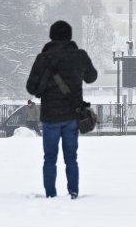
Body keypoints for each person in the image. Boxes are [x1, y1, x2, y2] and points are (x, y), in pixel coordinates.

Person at [25, 20, 98, 200]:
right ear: (70, 35)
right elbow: (92, 77)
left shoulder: (43, 59)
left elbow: (31, 88)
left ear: (51, 36)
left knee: (49, 157)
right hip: (72, 115)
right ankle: (73, 192)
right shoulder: (79, 56)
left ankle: (51, 194)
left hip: (50, 116)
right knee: (71, 157)